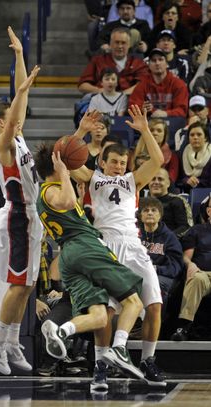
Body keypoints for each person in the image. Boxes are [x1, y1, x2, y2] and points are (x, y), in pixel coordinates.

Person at [35, 113, 145, 390]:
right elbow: (68, 200)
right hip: (86, 247)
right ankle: (119, 351)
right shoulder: (51, 189)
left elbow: (68, 153)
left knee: (98, 316)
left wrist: (81, 131)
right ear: (57, 165)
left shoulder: (43, 195)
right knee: (134, 302)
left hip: (71, 256)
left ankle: (62, 331)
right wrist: (64, 173)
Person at [71, 105, 166, 386]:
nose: (120, 166)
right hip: (105, 245)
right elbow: (64, 159)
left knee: (155, 304)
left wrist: (145, 130)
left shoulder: (132, 180)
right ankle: (101, 365)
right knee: (108, 311)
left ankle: (147, 360)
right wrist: (81, 132)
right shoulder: (92, 177)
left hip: (132, 243)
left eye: (123, 162)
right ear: (102, 161)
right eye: (114, 162)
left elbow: (157, 159)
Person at [0, 28, 43, 376]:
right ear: (2, 123)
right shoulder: (0, 143)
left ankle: (11, 340)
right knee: (18, 283)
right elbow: (21, 97)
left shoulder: (18, 140)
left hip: (31, 217)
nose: (20, 117)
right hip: (17, 216)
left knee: (29, 284)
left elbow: (24, 94)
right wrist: (20, 90)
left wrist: (19, 56)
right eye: (13, 116)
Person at [171, 195, 211, 341]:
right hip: (203, 274)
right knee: (197, 279)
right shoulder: (197, 230)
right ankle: (183, 327)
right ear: (209, 212)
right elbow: (186, 256)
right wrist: (190, 264)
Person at [138, 197, 184, 322]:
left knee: (154, 284)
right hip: (138, 274)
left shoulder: (169, 237)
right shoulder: (134, 235)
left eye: (154, 210)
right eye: (146, 210)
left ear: (160, 215)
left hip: (164, 275)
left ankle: (156, 325)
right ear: (141, 216)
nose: (150, 213)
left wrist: (155, 269)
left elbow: (176, 267)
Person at [78, 27, 149, 95]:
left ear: (129, 45)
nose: (120, 46)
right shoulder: (97, 61)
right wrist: (99, 90)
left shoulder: (138, 63)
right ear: (110, 44)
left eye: (123, 43)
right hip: (101, 101)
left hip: (129, 102)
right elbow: (82, 86)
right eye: (117, 42)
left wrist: (122, 95)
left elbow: (144, 84)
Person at [129, 48, 189, 118]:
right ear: (149, 65)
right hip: (149, 125)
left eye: (160, 59)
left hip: (173, 124)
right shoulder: (143, 84)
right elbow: (132, 107)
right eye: (153, 60)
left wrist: (166, 113)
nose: (157, 63)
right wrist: (142, 109)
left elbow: (182, 110)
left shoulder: (178, 84)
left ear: (167, 64)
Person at [148, 168, 193, 239]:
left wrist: (166, 238)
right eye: (153, 179)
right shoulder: (142, 202)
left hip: (169, 244)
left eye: (160, 179)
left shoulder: (178, 201)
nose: (156, 182)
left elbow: (186, 227)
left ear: (168, 183)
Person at [132, 118, 179, 183]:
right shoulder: (134, 153)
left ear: (164, 135)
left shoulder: (173, 157)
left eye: (159, 131)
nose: (155, 133)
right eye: (151, 130)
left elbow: (171, 179)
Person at [180, 122, 211, 192]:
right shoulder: (183, 152)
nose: (195, 137)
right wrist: (187, 180)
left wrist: (197, 181)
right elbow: (179, 178)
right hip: (187, 191)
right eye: (192, 135)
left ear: (205, 137)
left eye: (199, 134)